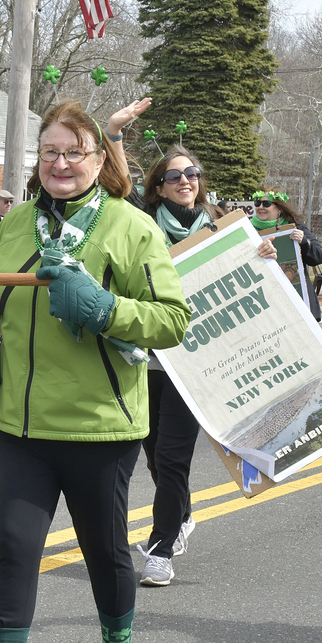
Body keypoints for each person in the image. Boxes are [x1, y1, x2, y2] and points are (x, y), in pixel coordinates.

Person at [0, 100, 188, 643]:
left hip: (99, 426)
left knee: (104, 553)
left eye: (74, 152)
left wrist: (105, 308)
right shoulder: (16, 223)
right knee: (15, 554)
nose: (60, 163)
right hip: (20, 424)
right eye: (50, 151)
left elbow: (173, 321)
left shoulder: (132, 228)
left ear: (99, 159)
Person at [133, 145, 214, 589]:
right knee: (153, 454)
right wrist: (112, 135)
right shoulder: (142, 225)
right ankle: (181, 515)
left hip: (194, 361)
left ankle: (161, 549)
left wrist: (259, 251)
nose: (186, 181)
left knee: (172, 457)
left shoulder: (221, 228)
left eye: (193, 173)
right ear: (158, 186)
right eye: (175, 176)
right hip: (146, 359)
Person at [249, 190, 322, 321]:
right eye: (257, 203)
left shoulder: (295, 226)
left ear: (279, 209)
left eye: (266, 204)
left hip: (296, 296)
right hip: (266, 301)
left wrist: (304, 242)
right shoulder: (248, 230)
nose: (260, 207)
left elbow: (319, 256)